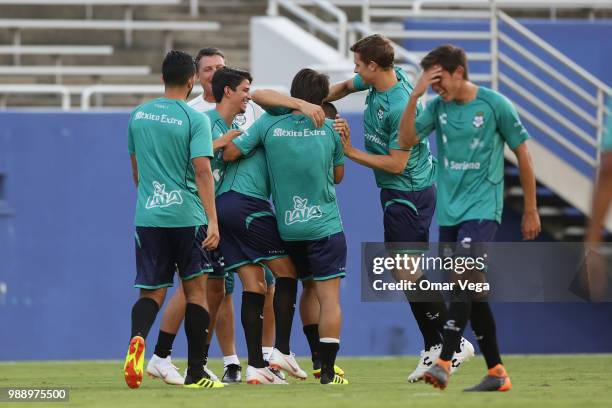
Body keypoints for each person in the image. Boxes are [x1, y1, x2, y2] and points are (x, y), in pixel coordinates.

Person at [326, 33, 473, 382]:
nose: (356, 70)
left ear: (374, 65)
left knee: (404, 271)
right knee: (401, 270)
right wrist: (306, 101)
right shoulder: (381, 78)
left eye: (360, 63)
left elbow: (396, 164)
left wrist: (350, 151)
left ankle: (453, 342)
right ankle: (432, 346)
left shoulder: (400, 105)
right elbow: (345, 86)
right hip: (398, 193)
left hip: (409, 191)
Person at [398, 44, 541, 391]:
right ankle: (497, 372)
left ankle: (445, 359)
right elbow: (405, 140)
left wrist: (531, 209)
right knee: (471, 289)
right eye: (430, 82)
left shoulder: (495, 105)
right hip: (451, 212)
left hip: (483, 208)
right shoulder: (436, 106)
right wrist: (415, 95)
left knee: (463, 277)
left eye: (438, 79)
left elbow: (523, 154)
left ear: (458, 72)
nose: (436, 87)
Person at [224, 68, 349, 385]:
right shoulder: (332, 129)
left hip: (288, 227)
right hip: (324, 226)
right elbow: (337, 177)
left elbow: (232, 152)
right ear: (322, 98)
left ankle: (278, 355)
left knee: (290, 285)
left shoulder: (268, 123)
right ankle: (324, 370)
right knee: (328, 298)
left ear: (292, 94)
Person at [123, 50, 224, 389]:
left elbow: (137, 172)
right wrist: (212, 220)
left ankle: (138, 339)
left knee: (151, 292)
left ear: (162, 77)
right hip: (186, 216)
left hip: (149, 215)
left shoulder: (138, 115)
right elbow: (202, 170)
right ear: (192, 80)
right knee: (196, 292)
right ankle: (196, 372)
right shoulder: (195, 119)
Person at [212, 67, 309, 384]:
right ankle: (280, 350)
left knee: (254, 285)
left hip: (225, 206)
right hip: (247, 204)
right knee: (287, 273)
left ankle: (256, 366)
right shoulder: (271, 122)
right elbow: (229, 153)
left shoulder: (271, 126)